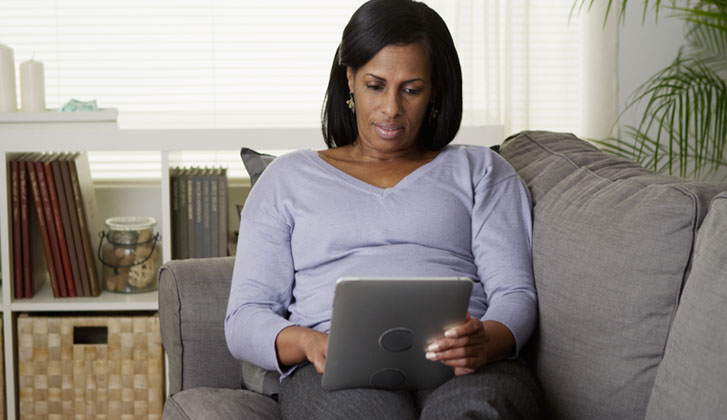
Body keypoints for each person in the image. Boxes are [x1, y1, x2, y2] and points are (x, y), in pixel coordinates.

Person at [225, 0, 542, 418]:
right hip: (334, 371)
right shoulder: (286, 179)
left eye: (411, 89)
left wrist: (487, 339)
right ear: (350, 79)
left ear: (435, 92)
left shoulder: (480, 170)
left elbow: (515, 293)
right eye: (376, 85)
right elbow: (245, 316)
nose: (392, 108)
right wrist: (307, 342)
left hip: (469, 367)